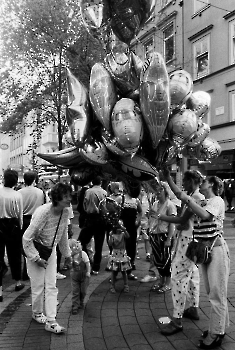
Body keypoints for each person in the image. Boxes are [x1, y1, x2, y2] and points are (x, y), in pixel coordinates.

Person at [172, 175, 230, 349]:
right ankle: (220, 328)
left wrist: (188, 199)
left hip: (217, 251)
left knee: (216, 294)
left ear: (211, 184)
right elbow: (179, 194)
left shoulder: (217, 201)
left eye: (204, 181)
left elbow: (205, 216)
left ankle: (215, 334)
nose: (201, 183)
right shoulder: (204, 202)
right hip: (207, 252)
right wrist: (168, 179)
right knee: (213, 292)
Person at [158, 169, 205, 336]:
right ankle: (193, 308)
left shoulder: (197, 197)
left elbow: (181, 220)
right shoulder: (195, 195)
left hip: (187, 243)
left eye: (184, 181)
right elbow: (179, 198)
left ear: (192, 181)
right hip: (189, 241)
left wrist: (159, 216)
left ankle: (177, 320)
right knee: (193, 276)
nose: (183, 185)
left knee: (178, 278)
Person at [22, 183, 73, 334]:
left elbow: (63, 236)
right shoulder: (43, 212)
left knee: (51, 285)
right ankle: (37, 313)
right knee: (38, 287)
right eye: (66, 196)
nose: (70, 199)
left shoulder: (65, 212)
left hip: (50, 251)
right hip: (36, 250)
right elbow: (26, 239)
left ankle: (51, 320)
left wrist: (68, 255)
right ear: (57, 198)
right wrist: (36, 258)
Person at [0, 169, 24, 302]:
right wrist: (20, 228)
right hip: (13, 226)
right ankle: (17, 282)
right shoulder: (17, 195)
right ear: (15, 181)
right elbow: (19, 214)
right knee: (15, 255)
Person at [148, 182, 177, 292]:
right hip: (155, 234)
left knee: (166, 260)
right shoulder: (155, 204)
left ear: (165, 191)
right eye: (156, 191)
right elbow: (153, 218)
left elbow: (172, 223)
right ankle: (161, 281)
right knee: (158, 260)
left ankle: (168, 283)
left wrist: (169, 239)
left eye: (160, 191)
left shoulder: (170, 205)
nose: (158, 193)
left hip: (164, 235)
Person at [19, 171, 45, 280]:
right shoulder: (40, 192)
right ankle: (35, 269)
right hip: (36, 219)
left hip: (24, 220)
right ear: (34, 180)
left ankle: (25, 271)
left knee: (25, 244)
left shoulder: (19, 192)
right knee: (36, 244)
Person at [81, 176, 107, 274]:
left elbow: (84, 204)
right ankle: (96, 266)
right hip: (101, 219)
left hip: (90, 218)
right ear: (100, 182)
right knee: (99, 244)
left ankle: (86, 260)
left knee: (83, 241)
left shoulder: (88, 192)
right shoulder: (104, 192)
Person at [120, 182, 142, 280]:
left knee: (131, 249)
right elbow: (115, 212)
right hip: (122, 228)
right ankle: (117, 272)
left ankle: (128, 272)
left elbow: (140, 212)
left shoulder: (136, 200)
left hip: (132, 228)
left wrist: (138, 220)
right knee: (121, 250)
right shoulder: (121, 199)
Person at [107, 220, 131, 293]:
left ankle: (126, 285)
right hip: (115, 254)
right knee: (114, 272)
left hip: (122, 253)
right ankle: (112, 286)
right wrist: (110, 236)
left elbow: (128, 236)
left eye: (121, 226)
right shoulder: (112, 235)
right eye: (118, 226)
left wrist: (124, 230)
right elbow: (110, 244)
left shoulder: (123, 234)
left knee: (124, 271)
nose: (120, 228)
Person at [69, 239, 90, 315]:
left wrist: (88, 272)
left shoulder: (83, 254)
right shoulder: (71, 256)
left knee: (83, 291)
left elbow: (87, 264)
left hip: (84, 276)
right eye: (73, 247)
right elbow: (70, 264)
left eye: (78, 246)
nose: (76, 248)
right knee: (75, 291)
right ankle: (75, 306)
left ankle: (81, 301)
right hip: (75, 276)